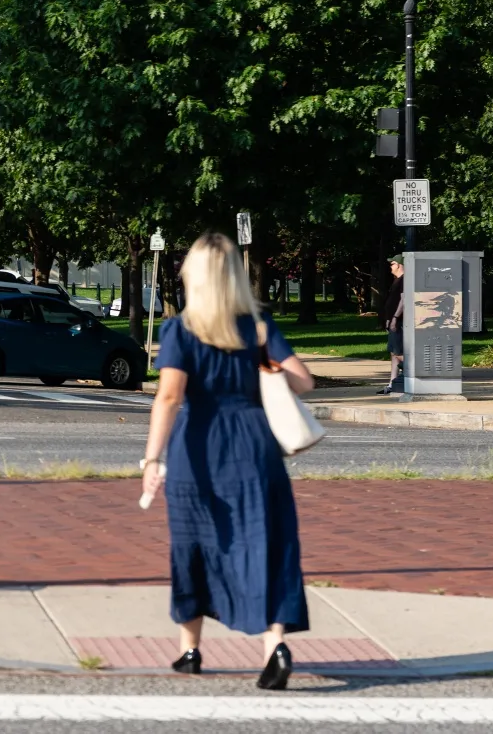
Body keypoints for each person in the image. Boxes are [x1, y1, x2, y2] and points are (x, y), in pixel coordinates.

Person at [140, 232, 316, 691]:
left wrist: (151, 457)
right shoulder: (258, 326)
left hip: (197, 451)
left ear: (192, 276)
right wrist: (263, 364)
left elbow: (170, 396)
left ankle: (190, 651)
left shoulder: (180, 330)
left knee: (194, 546)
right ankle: (274, 646)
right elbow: (304, 381)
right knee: (266, 543)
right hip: (255, 448)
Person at [380, 257, 405, 395]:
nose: (390, 266)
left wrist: (395, 317)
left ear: (400, 265)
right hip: (393, 321)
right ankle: (392, 383)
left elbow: (403, 300)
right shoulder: (396, 280)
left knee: (399, 352)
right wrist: (389, 319)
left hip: (400, 321)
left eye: (393, 263)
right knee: (393, 352)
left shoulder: (405, 279)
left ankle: (411, 376)